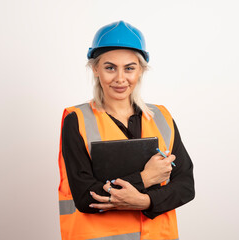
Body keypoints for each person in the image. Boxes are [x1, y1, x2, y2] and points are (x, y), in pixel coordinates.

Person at [58, 20, 195, 240]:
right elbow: (86, 197)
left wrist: (147, 201)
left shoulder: (162, 117)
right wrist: (145, 178)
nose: (120, 78)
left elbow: (186, 185)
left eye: (129, 68)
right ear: (95, 69)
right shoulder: (77, 120)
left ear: (141, 70)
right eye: (110, 67)